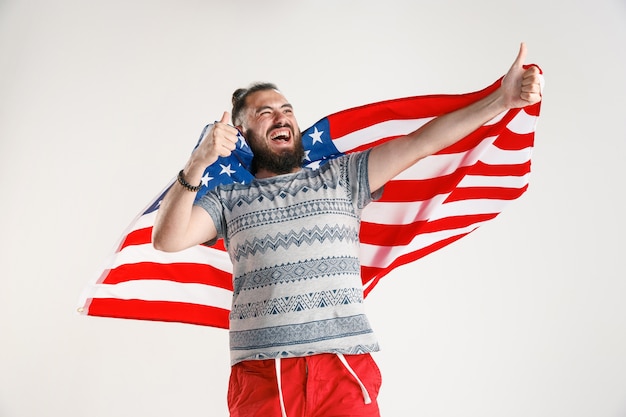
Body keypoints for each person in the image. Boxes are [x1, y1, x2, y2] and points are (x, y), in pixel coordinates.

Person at [152, 43, 542, 417]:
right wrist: (198, 161)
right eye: (264, 113)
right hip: (261, 375)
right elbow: (166, 240)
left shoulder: (343, 176)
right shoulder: (227, 198)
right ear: (242, 133)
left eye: (286, 109)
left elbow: (421, 142)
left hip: (343, 370)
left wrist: (500, 101)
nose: (280, 116)